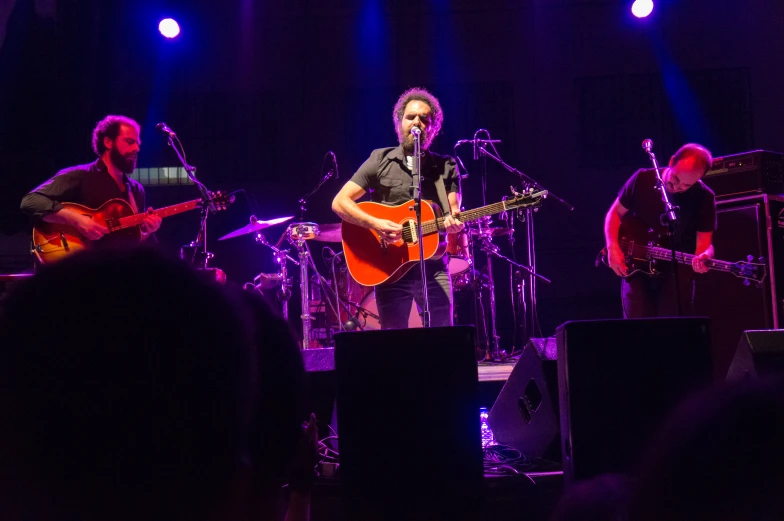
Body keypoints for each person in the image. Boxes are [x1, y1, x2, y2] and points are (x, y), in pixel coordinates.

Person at [331, 87, 463, 329]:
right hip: (390, 266)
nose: (417, 123)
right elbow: (340, 202)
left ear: (433, 127)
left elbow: (453, 211)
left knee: (444, 339)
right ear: (399, 122)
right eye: (410, 117)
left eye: (425, 119)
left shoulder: (446, 165)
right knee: (394, 343)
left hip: (433, 267)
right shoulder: (380, 159)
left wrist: (454, 223)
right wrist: (376, 224)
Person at [604, 143, 716, 318]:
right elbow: (614, 214)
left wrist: (704, 257)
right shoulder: (642, 178)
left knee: (672, 331)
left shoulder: (704, 197)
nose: (678, 187)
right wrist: (613, 248)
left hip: (675, 272)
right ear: (672, 161)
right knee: (638, 328)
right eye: (676, 178)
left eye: (687, 185)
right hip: (636, 265)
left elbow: (704, 245)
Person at [20, 114, 162, 243]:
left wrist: (146, 231)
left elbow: (132, 240)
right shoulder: (80, 175)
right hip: (81, 267)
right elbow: (30, 201)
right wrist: (78, 220)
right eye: (130, 142)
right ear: (108, 142)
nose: (137, 148)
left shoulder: (136, 190)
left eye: (138, 144)